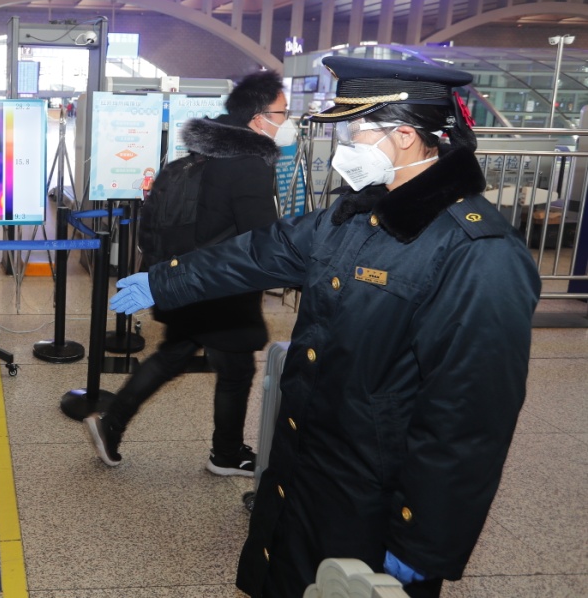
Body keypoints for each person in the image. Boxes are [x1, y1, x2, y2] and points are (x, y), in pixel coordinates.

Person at [109, 57, 540, 597]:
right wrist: (166, 279)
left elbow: (469, 417)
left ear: (405, 135)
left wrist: (424, 540)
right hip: (309, 463)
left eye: (357, 130)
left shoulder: (478, 254)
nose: (348, 143)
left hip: (374, 495)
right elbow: (263, 251)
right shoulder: (358, 216)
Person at [87, 72, 292, 475]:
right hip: (222, 290)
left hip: (181, 281)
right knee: (236, 371)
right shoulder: (249, 166)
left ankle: (112, 424)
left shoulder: (192, 160)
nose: (287, 121)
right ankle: (226, 454)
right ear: (257, 119)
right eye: (282, 112)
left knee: (173, 355)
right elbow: (261, 237)